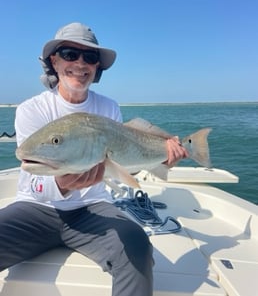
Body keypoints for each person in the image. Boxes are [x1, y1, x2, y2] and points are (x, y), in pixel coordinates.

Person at [0, 22, 188, 296]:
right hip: (36, 209)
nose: (80, 63)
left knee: (137, 249)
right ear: (54, 60)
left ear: (97, 67)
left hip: (93, 208)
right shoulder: (32, 109)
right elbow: (32, 179)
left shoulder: (108, 108)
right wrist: (63, 184)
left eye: (89, 57)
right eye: (69, 54)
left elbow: (121, 165)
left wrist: (161, 159)